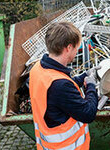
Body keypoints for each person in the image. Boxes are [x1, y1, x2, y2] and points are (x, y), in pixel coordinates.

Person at [29, 22, 100, 150]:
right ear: (68, 48)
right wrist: (91, 86)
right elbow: (88, 113)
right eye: (76, 47)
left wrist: (83, 76)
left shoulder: (38, 68)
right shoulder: (60, 86)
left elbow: (60, 87)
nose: (77, 50)